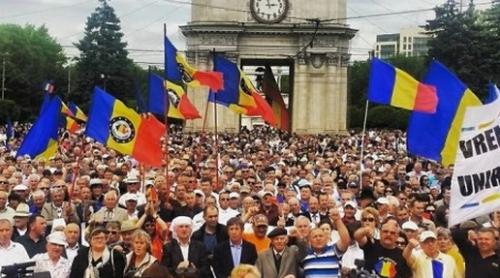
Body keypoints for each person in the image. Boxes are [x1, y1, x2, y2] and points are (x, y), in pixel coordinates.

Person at [301, 206, 350, 278]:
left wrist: (338, 220)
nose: (318, 238)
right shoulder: (304, 254)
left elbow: (345, 240)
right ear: (310, 240)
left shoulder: (334, 250)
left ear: (326, 238)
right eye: (315, 237)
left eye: (321, 236)